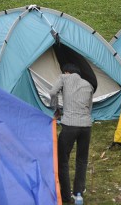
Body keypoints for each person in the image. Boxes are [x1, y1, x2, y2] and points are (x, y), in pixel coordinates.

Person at [49, 63, 94, 204]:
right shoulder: (89, 85)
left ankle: (66, 196)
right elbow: (89, 108)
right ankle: (78, 192)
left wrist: (55, 107)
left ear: (66, 72)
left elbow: (52, 92)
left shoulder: (64, 77)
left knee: (63, 160)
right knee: (82, 160)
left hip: (69, 125)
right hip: (86, 126)